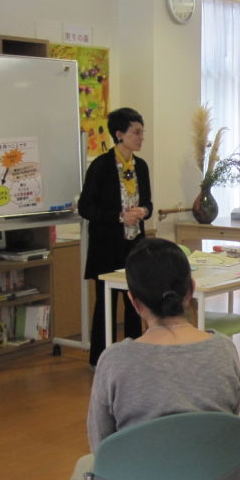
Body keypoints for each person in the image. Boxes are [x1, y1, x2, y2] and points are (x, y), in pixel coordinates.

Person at [65, 238, 240, 480]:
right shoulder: (224, 349)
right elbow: (225, 428)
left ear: (133, 301)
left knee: (85, 467)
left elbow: (102, 448)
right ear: (191, 291)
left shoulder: (115, 360)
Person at [78, 107, 153, 367]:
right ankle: (101, 360)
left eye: (142, 132)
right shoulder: (101, 166)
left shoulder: (141, 166)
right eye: (136, 133)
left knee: (134, 303)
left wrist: (143, 211)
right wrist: (120, 217)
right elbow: (86, 208)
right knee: (106, 304)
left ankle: (133, 358)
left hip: (134, 246)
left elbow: (148, 203)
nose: (141, 138)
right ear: (119, 134)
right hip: (106, 247)